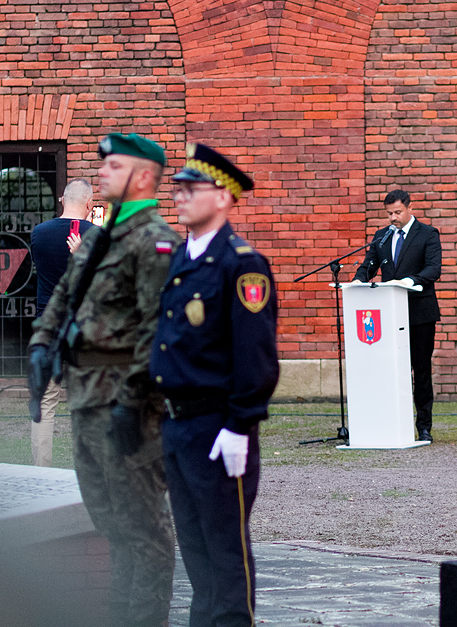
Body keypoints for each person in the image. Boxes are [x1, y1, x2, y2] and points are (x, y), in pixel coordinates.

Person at [29, 133, 180, 627]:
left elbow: (158, 331)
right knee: (108, 522)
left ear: (142, 176)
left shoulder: (155, 241)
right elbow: (64, 299)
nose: (102, 174)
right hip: (87, 398)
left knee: (143, 528)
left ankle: (144, 619)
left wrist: (134, 401)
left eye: (113, 166)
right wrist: (40, 347)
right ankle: (119, 615)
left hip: (127, 404)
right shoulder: (96, 237)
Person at [150, 143, 279, 627]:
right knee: (195, 550)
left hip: (218, 426)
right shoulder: (181, 258)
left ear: (223, 197)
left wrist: (241, 424)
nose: (179, 197)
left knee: (226, 554)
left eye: (191, 189)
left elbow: (256, 353)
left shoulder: (241, 264)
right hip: (177, 424)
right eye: (177, 188)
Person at [353, 189, 442, 442]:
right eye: (389, 213)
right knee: (390, 369)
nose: (393, 218)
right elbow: (369, 264)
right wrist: (358, 281)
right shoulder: (381, 237)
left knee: (420, 370)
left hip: (419, 312)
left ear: (409, 207)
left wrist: (408, 281)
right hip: (388, 313)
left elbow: (433, 270)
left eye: (397, 212)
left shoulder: (427, 234)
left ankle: (423, 426)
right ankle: (391, 421)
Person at [28, 177, 96, 466]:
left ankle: (40, 471)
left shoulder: (39, 233)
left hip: (49, 322)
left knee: (45, 402)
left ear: (62, 200)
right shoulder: (98, 236)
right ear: (90, 204)